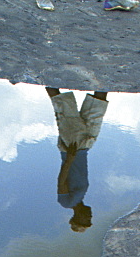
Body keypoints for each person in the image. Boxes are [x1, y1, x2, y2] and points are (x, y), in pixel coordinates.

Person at [46, 88, 108, 232]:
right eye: (90, 220)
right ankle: (102, 78)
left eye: (87, 220)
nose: (90, 217)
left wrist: (70, 158)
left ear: (77, 217)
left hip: (72, 148)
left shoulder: (66, 202)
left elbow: (61, 180)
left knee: (64, 108)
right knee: (98, 107)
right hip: (84, 146)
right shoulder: (80, 197)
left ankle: (45, 77)